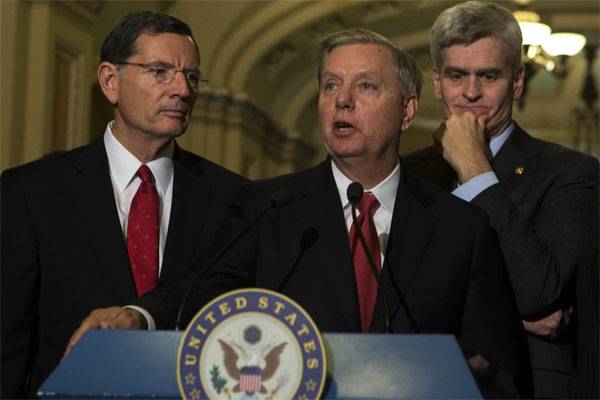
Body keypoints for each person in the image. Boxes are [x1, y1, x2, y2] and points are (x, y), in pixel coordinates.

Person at [69, 28, 528, 397]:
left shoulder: (461, 228)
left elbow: (500, 370)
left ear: (407, 110)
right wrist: (137, 316)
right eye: (331, 86)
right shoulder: (266, 208)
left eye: (365, 86)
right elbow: (201, 289)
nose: (342, 100)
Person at [1, 11, 244, 398]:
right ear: (110, 82)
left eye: (191, 76)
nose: (182, 89)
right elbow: (8, 343)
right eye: (161, 71)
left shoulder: (235, 198)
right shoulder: (32, 192)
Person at [403, 1, 599, 398]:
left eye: (488, 76)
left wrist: (476, 169)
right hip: (418, 383)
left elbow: (539, 293)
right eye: (457, 76)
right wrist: (506, 313)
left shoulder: (572, 173)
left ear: (518, 81)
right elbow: (391, 298)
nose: (471, 92)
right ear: (437, 82)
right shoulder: (404, 176)